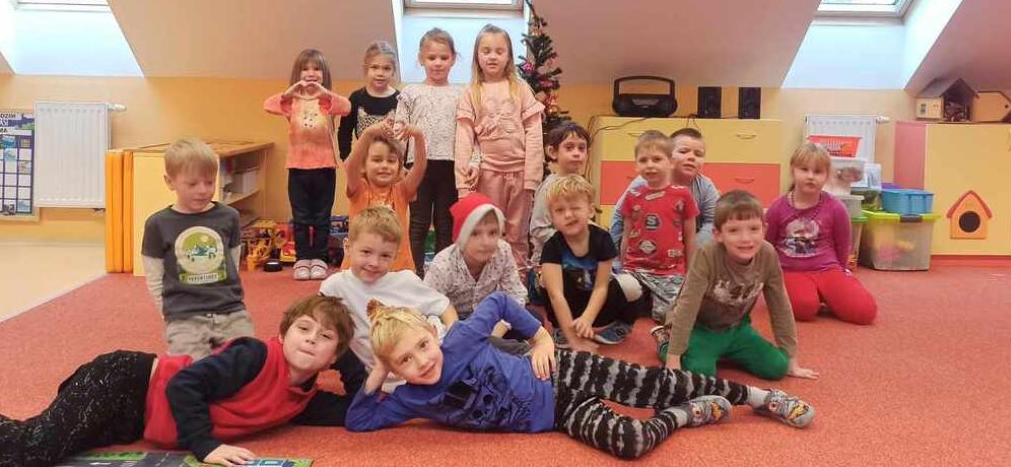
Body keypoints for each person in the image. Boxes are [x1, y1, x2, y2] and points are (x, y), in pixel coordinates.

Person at [0, 296, 364, 467]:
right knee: (31, 447)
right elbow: (184, 387)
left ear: (334, 356)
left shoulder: (303, 399)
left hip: (130, 420)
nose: (310, 340)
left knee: (38, 462)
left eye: (324, 339)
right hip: (126, 381)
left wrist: (363, 363)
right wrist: (206, 447)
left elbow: (359, 411)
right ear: (284, 331)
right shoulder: (253, 356)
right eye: (303, 329)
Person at [345, 293, 816, 460]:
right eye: (405, 362)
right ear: (395, 371)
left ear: (432, 333)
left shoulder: (460, 340)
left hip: (563, 370)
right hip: (559, 414)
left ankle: (756, 396)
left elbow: (502, 302)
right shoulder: (409, 399)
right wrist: (379, 369)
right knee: (631, 443)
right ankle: (686, 415)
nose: (421, 362)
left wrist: (542, 339)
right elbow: (358, 422)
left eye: (421, 346)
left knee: (659, 385)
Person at [656, 190, 818, 381]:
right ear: (718, 234)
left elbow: (780, 305)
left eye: (754, 229)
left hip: (737, 328)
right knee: (701, 374)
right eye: (734, 231)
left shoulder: (767, 254)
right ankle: (664, 339)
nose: (746, 239)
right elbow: (687, 306)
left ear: (764, 229)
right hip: (699, 328)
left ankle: (724, 352)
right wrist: (673, 358)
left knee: (778, 367)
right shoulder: (707, 254)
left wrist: (792, 359)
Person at [142, 138, 252, 359]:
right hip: (184, 315)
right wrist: (168, 312)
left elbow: (232, 264)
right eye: (192, 184)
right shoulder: (157, 224)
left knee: (247, 360)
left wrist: (230, 299)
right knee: (190, 367)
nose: (203, 190)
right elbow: (154, 276)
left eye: (209, 182)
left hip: (231, 310)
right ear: (170, 182)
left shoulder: (229, 216)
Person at [319, 206, 458, 377]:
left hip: (431, 362)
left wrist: (454, 341)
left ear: (395, 256)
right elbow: (317, 326)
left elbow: (444, 307)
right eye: (366, 252)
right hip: (383, 377)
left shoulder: (406, 280)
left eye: (385, 256)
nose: (374, 263)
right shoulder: (334, 287)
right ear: (347, 247)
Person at [455, 24, 544, 264]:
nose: (492, 56)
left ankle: (517, 281)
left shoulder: (520, 88)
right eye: (486, 51)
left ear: (508, 56)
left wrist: (532, 177)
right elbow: (464, 138)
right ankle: (488, 279)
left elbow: (534, 133)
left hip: (520, 175)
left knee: (517, 234)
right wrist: (463, 185)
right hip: (487, 174)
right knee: (488, 233)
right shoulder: (471, 92)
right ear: (477, 56)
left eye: (499, 51)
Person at [766, 142, 877, 325]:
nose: (810, 176)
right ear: (793, 170)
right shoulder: (777, 208)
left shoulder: (836, 208)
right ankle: (815, 295)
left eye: (817, 172)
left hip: (827, 269)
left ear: (826, 176)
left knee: (865, 312)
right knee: (804, 308)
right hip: (790, 270)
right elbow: (766, 245)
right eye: (804, 170)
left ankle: (826, 292)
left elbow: (843, 244)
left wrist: (841, 273)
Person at [263, 48, 351, 280]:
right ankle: (303, 258)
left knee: (322, 216)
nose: (311, 73)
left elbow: (346, 107)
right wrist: (290, 91)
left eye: (316, 69)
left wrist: (324, 92)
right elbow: (268, 105)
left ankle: (319, 258)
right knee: (301, 216)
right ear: (297, 73)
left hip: (325, 167)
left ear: (324, 74)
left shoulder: (326, 101)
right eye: (305, 69)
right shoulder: (292, 102)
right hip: (297, 168)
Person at [394, 28, 465, 275]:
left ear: (453, 59)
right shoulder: (410, 92)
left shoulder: (461, 93)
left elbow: (468, 131)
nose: (437, 63)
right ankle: (413, 274)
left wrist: (472, 161)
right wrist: (398, 164)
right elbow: (400, 129)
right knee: (418, 222)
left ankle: (441, 275)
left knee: (446, 223)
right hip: (418, 167)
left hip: (450, 166)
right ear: (421, 59)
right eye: (432, 57)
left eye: (444, 57)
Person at [537, 175, 637, 350]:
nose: (568, 214)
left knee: (631, 285)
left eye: (575, 207)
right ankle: (561, 329)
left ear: (590, 211)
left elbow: (601, 287)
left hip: (596, 301)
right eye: (559, 210)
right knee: (545, 280)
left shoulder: (602, 239)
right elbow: (556, 295)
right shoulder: (552, 246)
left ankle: (620, 325)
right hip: (569, 302)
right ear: (552, 218)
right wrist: (573, 339)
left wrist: (587, 319)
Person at [615, 131, 699, 324]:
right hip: (635, 268)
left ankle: (652, 303)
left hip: (670, 271)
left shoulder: (683, 195)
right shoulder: (632, 196)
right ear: (636, 165)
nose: (650, 165)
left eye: (657, 159)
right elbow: (626, 235)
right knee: (618, 297)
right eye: (643, 160)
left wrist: (690, 272)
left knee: (670, 317)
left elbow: (690, 236)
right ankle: (642, 301)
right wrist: (623, 267)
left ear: (670, 162)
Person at [610, 127, 718, 270]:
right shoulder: (645, 182)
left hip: (681, 254)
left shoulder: (705, 186)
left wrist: (691, 251)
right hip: (642, 253)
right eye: (684, 151)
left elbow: (714, 222)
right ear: (669, 158)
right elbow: (619, 216)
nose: (691, 157)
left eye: (698, 154)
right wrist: (615, 259)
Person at [424, 193, 529, 318]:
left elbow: (516, 294)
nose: (485, 242)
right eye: (475, 234)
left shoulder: (502, 251)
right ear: (461, 236)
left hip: (490, 317)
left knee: (532, 318)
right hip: (453, 321)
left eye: (492, 233)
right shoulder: (444, 264)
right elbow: (427, 305)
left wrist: (503, 324)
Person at [343, 121, 426, 272]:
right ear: (363, 166)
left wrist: (418, 136)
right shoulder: (359, 189)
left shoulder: (402, 191)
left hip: (397, 269)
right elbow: (351, 167)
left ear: (399, 167)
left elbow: (419, 168)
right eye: (377, 160)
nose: (384, 165)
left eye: (391, 161)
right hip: (360, 270)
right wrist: (367, 134)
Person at [528, 121, 591, 267]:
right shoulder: (549, 187)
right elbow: (537, 228)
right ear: (553, 152)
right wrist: (570, 240)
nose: (576, 153)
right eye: (569, 148)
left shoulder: (583, 186)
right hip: (549, 261)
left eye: (581, 148)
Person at [337, 40, 400, 161]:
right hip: (363, 163)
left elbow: (406, 136)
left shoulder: (400, 100)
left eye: (386, 68)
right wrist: (346, 159)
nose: (380, 73)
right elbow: (344, 132)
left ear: (394, 71)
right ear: (366, 69)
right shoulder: (356, 98)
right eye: (374, 67)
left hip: (391, 165)